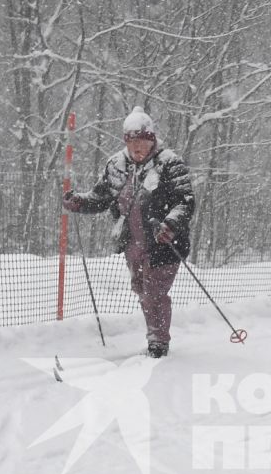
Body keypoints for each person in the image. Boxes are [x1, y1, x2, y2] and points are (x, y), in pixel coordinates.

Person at [65, 107, 197, 357]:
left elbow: (185, 201)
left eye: (142, 142)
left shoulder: (170, 163)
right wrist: (80, 202)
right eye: (132, 142)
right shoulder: (116, 164)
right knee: (142, 289)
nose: (137, 148)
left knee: (154, 291)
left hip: (165, 243)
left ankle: (158, 341)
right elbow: (102, 196)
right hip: (133, 243)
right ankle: (154, 331)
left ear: (152, 140)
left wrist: (170, 224)